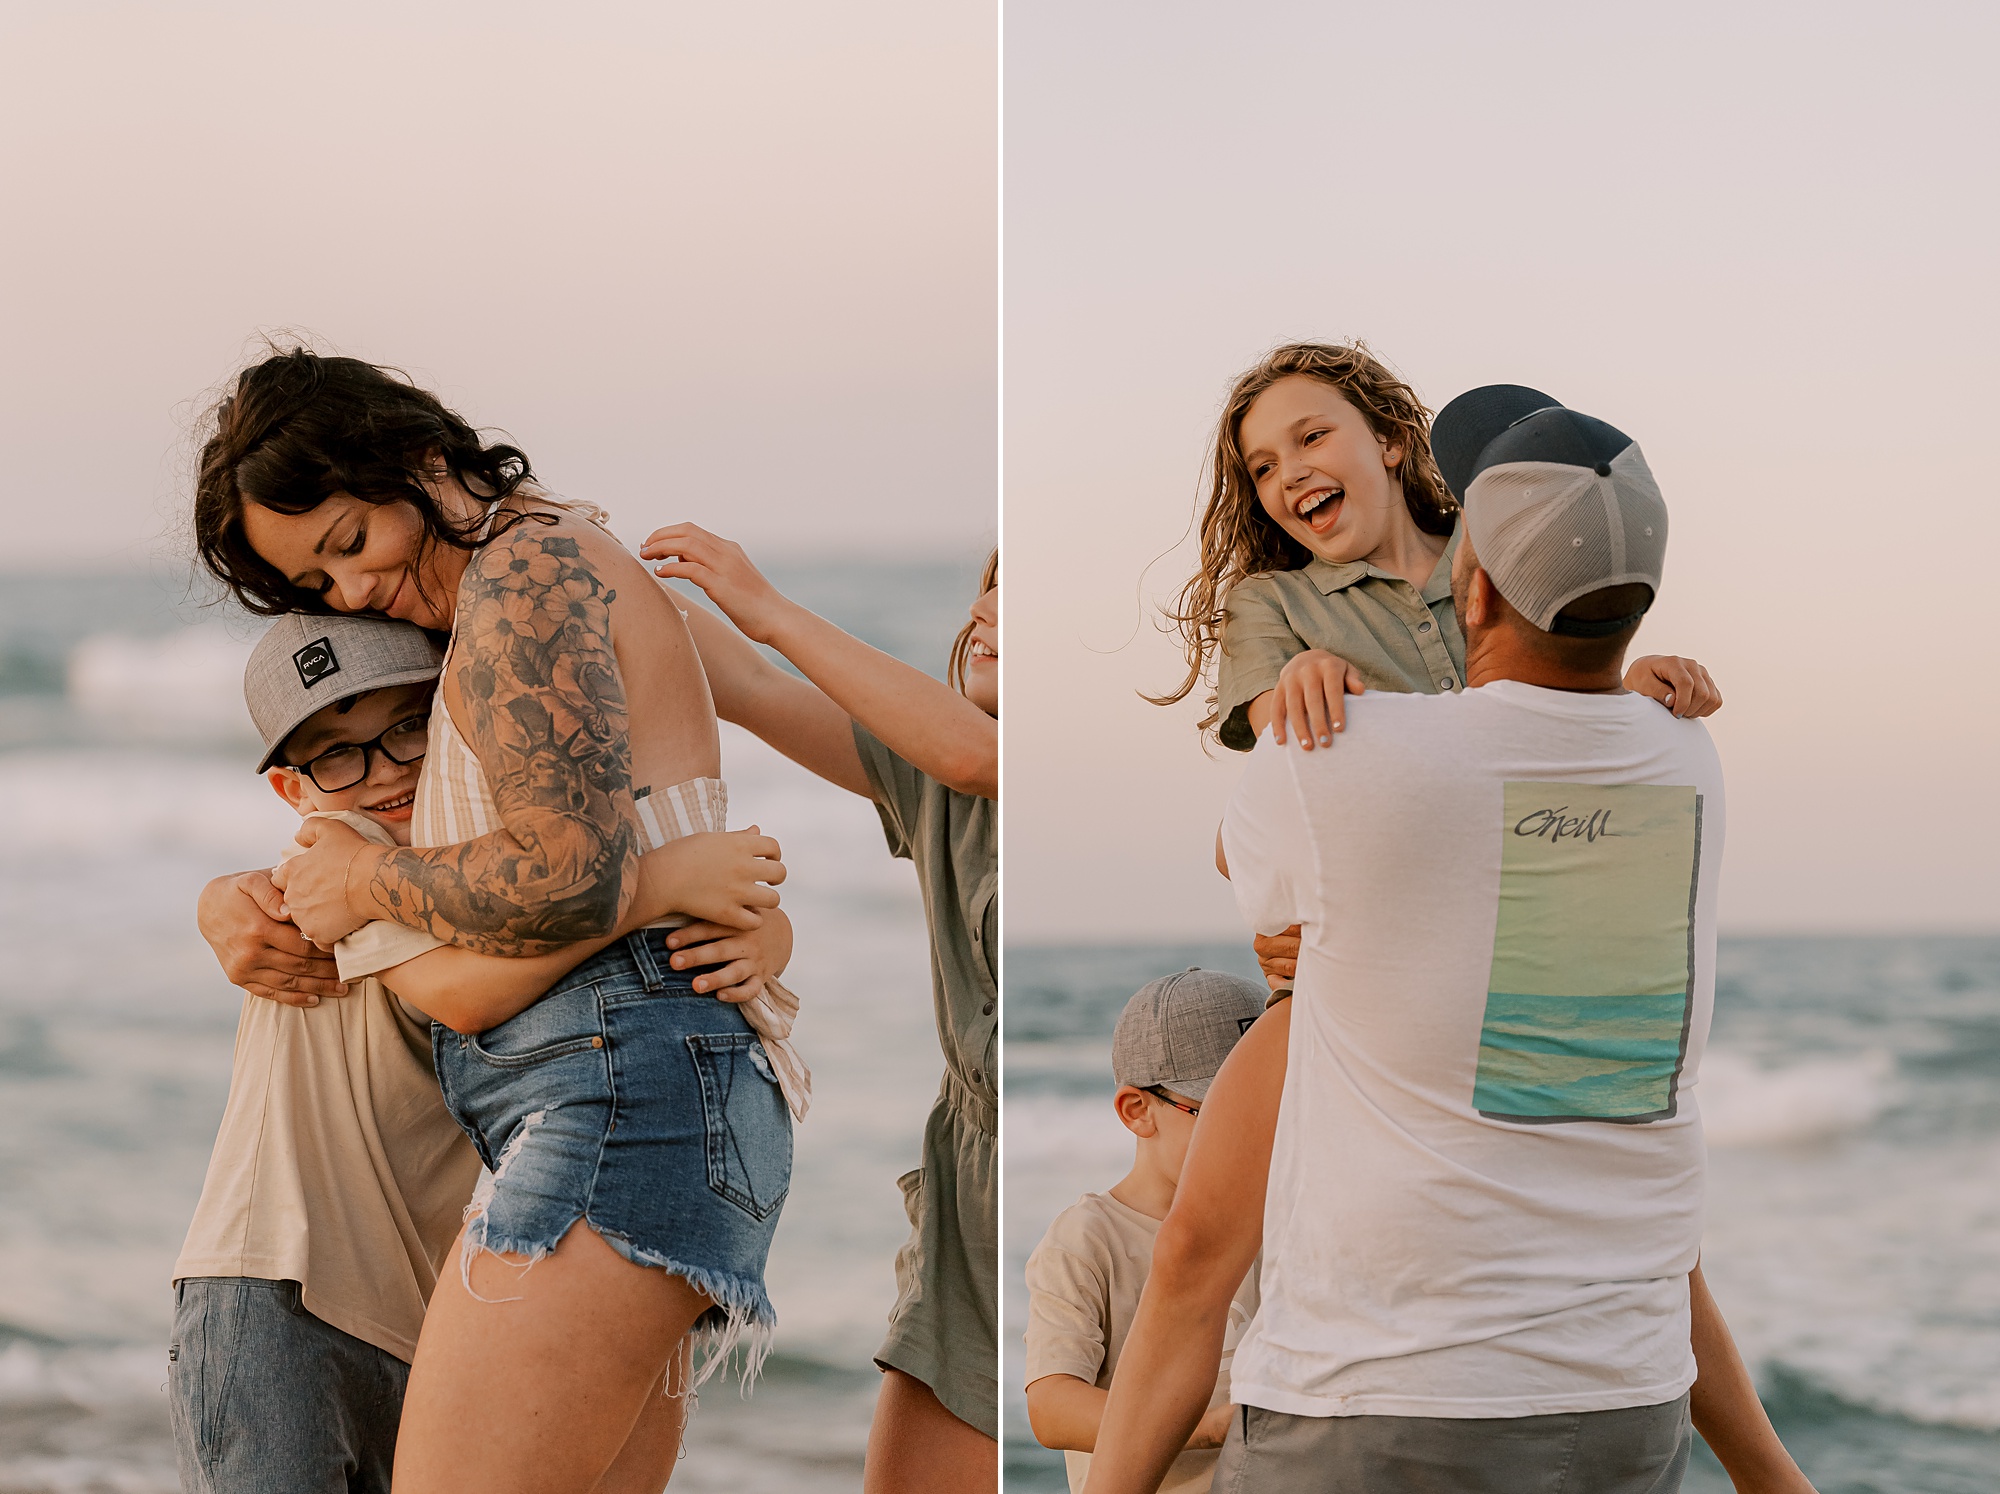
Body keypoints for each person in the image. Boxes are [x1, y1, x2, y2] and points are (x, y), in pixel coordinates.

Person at [1089, 397, 1818, 1493]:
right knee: (1600, 1142)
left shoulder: (1335, 754)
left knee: (1197, 1250)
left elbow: (1269, 886)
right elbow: (1540, 744)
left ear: (1470, 582)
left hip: (1381, 1407)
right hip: (1625, 1403)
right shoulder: (1685, 760)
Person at [188, 347, 795, 1494]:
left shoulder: (523, 576)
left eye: (350, 543)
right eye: (318, 585)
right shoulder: (551, 559)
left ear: (419, 461)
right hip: (644, 1083)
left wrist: (363, 885)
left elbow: (566, 871)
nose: (354, 593)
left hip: (612, 1087)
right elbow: (638, 842)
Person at [638, 523, 999, 1492]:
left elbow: (973, 754)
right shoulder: (933, 773)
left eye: (1020, 601)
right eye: (988, 590)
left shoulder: (1013, 766)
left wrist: (767, 607)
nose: (985, 614)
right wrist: (604, 572)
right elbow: (751, 692)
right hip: (968, 1185)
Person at [1148, 343, 1719, 752]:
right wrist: (1297, 691)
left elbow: (1563, 690)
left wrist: (1629, 703)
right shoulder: (1270, 604)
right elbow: (1284, 769)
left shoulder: (1496, 549)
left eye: (1312, 437)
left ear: (1389, 440)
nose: (1291, 473)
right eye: (1264, 468)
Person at [1024, 969, 1266, 1494]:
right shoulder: (1087, 1239)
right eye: (1224, 1112)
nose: (1256, 1131)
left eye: (1272, 1109)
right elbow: (1052, 1406)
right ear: (1138, 1111)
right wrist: (1205, 1426)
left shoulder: (1281, 1221)